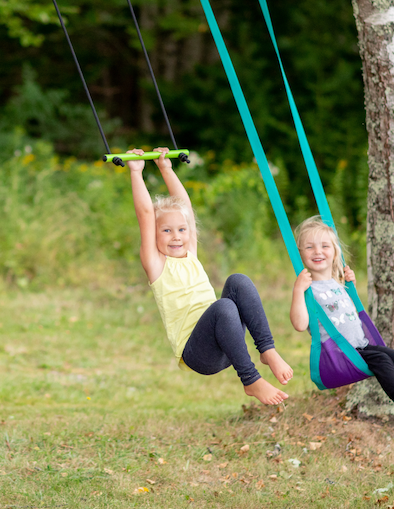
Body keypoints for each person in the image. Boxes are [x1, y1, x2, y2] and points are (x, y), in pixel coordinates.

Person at [126, 147, 293, 405]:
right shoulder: (156, 264)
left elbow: (186, 208)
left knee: (238, 281)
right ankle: (251, 380)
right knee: (223, 306)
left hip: (228, 340)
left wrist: (166, 168)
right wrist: (136, 172)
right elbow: (146, 215)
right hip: (200, 355)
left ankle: (267, 351)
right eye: (167, 231)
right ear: (155, 235)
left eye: (181, 229)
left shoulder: (190, 252)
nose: (177, 236)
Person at [291, 216, 394, 429]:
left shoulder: (338, 283)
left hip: (361, 347)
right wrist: (297, 290)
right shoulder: (307, 290)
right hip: (339, 355)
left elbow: (346, 307)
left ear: (335, 252)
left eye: (324, 246)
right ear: (300, 254)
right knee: (382, 361)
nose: (317, 251)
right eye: (309, 247)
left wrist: (350, 284)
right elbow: (300, 324)